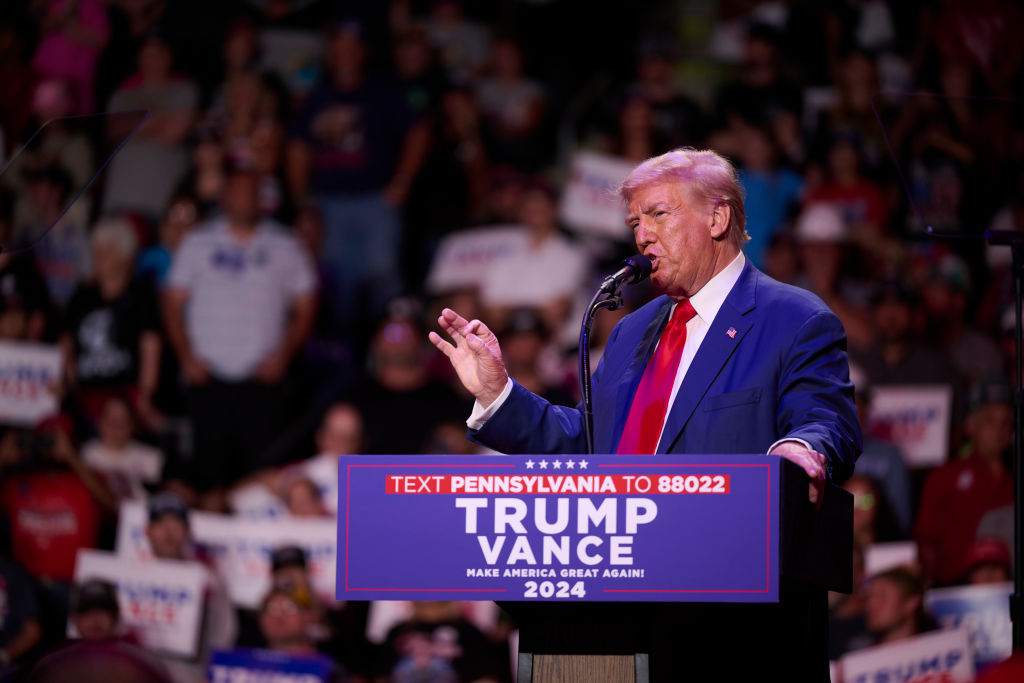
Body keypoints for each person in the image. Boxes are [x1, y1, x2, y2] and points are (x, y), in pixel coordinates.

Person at [429, 148, 861, 679]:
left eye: (659, 214)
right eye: (635, 221)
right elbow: (590, 446)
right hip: (616, 610)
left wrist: (800, 449)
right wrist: (500, 393)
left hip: (733, 621)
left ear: (718, 217)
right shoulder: (633, 330)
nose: (641, 235)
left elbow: (825, 421)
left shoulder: (792, 317)